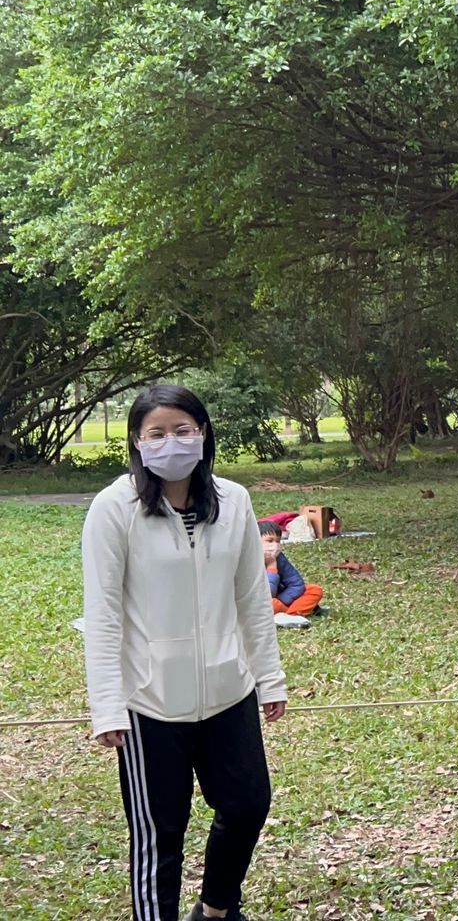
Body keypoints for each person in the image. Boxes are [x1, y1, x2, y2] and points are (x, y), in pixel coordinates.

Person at [82, 385, 288, 921]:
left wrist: (269, 678)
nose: (170, 442)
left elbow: (252, 599)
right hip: (148, 701)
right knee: (159, 834)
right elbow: (102, 615)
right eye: (156, 433)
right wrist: (107, 706)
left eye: (183, 430)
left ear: (202, 434)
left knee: (247, 806)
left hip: (228, 689)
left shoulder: (234, 501)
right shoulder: (114, 509)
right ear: (137, 441)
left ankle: (217, 909)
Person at [257, 520, 324, 629]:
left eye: (278, 541)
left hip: (280, 599)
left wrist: (282, 601)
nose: (275, 545)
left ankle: (288, 615)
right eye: (269, 541)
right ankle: (290, 614)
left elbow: (297, 584)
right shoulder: (247, 560)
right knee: (266, 604)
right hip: (261, 602)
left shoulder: (279, 558)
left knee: (314, 590)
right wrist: (271, 568)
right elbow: (267, 594)